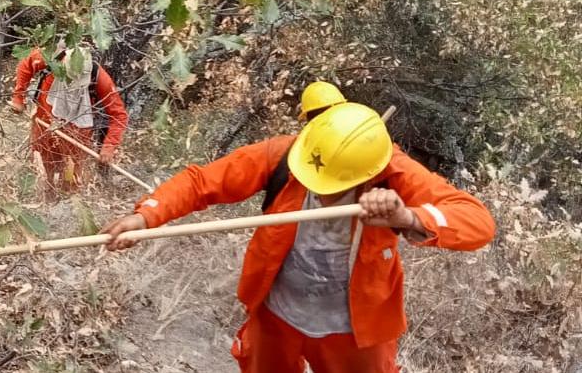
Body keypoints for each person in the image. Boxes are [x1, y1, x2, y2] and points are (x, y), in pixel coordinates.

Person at [100, 102, 495, 373]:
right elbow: (204, 182)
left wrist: (407, 216)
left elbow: (478, 222)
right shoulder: (290, 154)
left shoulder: (394, 173)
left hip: (355, 333)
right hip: (277, 316)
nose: (317, 188)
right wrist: (146, 215)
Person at [10, 43, 128, 193]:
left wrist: (109, 145)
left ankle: (67, 201)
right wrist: (18, 98)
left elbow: (118, 114)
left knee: (71, 179)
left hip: (78, 135)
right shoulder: (50, 57)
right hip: (45, 124)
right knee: (44, 171)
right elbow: (26, 64)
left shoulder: (97, 75)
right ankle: (47, 196)